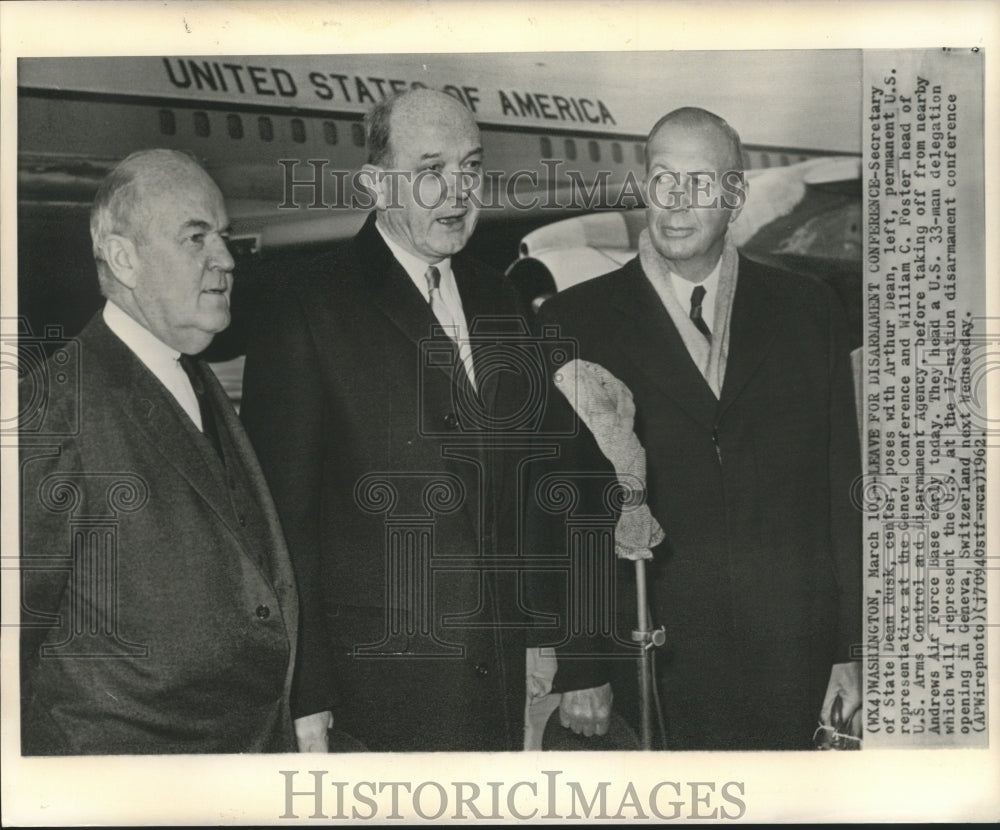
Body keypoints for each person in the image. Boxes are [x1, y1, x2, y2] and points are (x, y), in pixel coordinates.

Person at [241, 88, 604, 752]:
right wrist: (306, 698)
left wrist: (561, 640)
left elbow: (552, 479)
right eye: (431, 170)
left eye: (471, 166)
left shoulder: (502, 298)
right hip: (375, 696)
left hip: (500, 689)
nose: (458, 192)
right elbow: (282, 526)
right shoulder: (306, 306)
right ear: (377, 184)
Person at [533, 107, 863, 750]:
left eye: (701, 184)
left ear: (735, 196)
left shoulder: (807, 310)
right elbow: (563, 505)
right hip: (654, 662)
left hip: (795, 661)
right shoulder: (578, 319)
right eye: (662, 180)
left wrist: (850, 646)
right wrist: (582, 665)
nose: (676, 204)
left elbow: (839, 484)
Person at [19, 149, 300, 755]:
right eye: (195, 238)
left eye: (222, 237)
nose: (226, 259)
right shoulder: (49, 410)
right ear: (124, 258)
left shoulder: (194, 376)